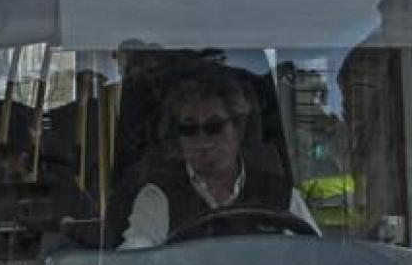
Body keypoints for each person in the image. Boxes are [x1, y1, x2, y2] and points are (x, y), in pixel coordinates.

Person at [118, 72, 319, 248]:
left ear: (238, 129)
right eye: (189, 129)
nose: (202, 140)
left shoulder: (282, 196)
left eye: (214, 127)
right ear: (178, 137)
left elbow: (315, 260)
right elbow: (136, 259)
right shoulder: (158, 198)